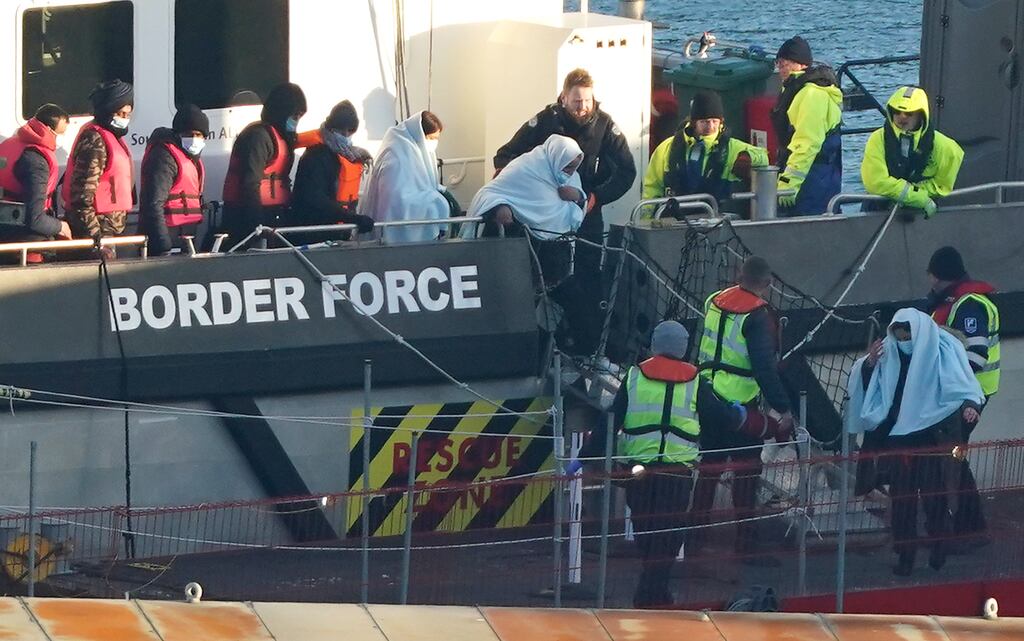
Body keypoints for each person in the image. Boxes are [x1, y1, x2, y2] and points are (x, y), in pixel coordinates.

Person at [577, 321, 745, 607]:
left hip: (639, 472)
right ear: (684, 347)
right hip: (677, 473)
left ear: (655, 344)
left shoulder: (634, 377)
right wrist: (737, 416)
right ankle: (653, 593)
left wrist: (583, 456)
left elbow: (611, 420)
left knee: (645, 530)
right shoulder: (696, 381)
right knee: (669, 533)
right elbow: (718, 417)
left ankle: (651, 593)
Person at [493, 68, 637, 356]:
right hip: (546, 218)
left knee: (588, 277)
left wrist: (597, 197)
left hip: (585, 213)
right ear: (563, 98)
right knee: (546, 278)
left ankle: (588, 346)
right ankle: (542, 344)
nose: (582, 108)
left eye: (587, 101)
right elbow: (505, 156)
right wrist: (527, 193)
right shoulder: (546, 122)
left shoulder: (604, 126)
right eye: (576, 101)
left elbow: (626, 170)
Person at [847, 308, 983, 576]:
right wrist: (870, 363)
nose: (903, 341)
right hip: (900, 440)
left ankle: (939, 546)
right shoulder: (888, 354)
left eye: (907, 336)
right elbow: (868, 380)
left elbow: (962, 384)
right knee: (903, 500)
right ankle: (905, 554)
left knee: (935, 497)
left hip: (933, 439)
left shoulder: (943, 351)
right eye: (899, 336)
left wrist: (970, 405)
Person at [692, 256, 795, 564]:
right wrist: (783, 408)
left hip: (708, 396)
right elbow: (764, 367)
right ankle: (745, 543)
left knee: (709, 468)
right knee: (747, 471)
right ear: (768, 284)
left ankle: (694, 537)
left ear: (740, 275)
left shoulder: (714, 300)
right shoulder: (759, 315)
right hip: (739, 404)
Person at [925, 246, 999, 548]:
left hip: (966, 397)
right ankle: (966, 527)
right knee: (953, 457)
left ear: (937, 276)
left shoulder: (967, 305)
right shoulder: (960, 302)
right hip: (965, 396)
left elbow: (976, 356)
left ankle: (968, 530)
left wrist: (948, 385)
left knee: (952, 458)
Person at [643, 91, 769, 206]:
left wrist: (750, 157)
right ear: (693, 122)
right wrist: (646, 217)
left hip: (715, 218)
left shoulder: (732, 147)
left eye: (714, 121)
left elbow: (763, 157)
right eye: (704, 122)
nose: (710, 126)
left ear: (721, 121)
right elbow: (652, 187)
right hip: (674, 218)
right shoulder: (667, 148)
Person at [221, 82, 307, 248]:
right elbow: (250, 183)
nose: (296, 122)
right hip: (249, 218)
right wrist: (257, 225)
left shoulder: (281, 137)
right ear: (282, 111)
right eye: (295, 116)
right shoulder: (258, 137)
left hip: (274, 215)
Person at [861, 86, 964, 218]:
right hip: (879, 208)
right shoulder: (877, 139)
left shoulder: (947, 148)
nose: (902, 117)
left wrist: (914, 196)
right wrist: (915, 196)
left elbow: (942, 185)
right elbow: (875, 182)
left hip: (926, 211)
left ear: (921, 114)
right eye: (897, 112)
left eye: (909, 113)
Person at [770, 37, 843, 216]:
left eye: (784, 63)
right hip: (814, 175)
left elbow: (807, 143)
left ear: (800, 64)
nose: (780, 69)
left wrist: (789, 182)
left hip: (814, 179)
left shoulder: (811, 95)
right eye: (779, 63)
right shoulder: (796, 89)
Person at [359, 110, 451, 244]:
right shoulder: (396, 156)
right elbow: (394, 199)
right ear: (419, 135)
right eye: (431, 138)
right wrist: (434, 201)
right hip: (393, 234)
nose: (434, 143)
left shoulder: (417, 154)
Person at [288, 100, 375, 240]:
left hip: (338, 231)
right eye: (340, 130)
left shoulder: (349, 156)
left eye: (350, 131)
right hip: (314, 233)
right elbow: (315, 198)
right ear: (331, 128)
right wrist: (352, 218)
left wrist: (351, 218)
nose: (345, 135)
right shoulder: (316, 155)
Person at [62, 79, 135, 241]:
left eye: (128, 114)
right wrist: (96, 237)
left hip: (109, 229)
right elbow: (81, 197)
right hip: (97, 231)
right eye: (120, 114)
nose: (125, 118)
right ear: (108, 111)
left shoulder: (110, 136)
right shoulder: (95, 140)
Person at [138, 104, 209, 256]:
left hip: (185, 237)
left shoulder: (190, 158)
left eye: (199, 135)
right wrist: (163, 243)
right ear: (178, 134)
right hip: (167, 239)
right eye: (189, 134)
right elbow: (154, 203)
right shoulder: (164, 157)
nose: (194, 139)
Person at [0, 104, 72, 249]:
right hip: (25, 238)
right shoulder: (37, 161)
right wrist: (60, 226)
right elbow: (35, 219)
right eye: (60, 134)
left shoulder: (9, 144)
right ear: (48, 130)